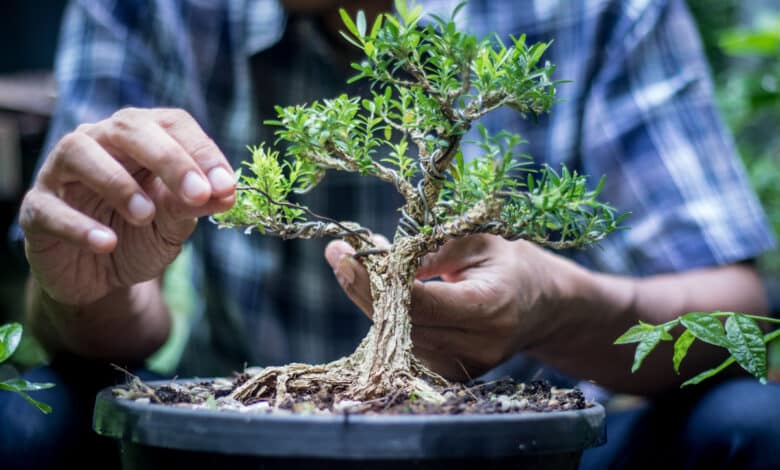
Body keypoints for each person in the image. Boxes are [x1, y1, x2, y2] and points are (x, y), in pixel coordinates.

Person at [3, 0, 779, 468]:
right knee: (23, 421)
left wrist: (561, 304)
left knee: (753, 425)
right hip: (234, 440)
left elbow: (736, 309)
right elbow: (104, 324)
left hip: (543, 445)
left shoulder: (594, 8)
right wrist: (87, 291)